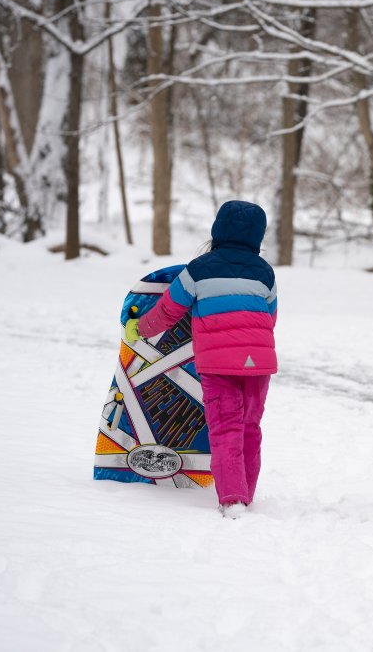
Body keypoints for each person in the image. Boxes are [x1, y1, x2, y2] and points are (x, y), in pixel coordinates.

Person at [126, 200, 278, 519]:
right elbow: (270, 315)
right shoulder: (266, 272)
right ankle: (246, 493)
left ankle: (233, 498)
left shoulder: (199, 268)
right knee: (250, 427)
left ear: (218, 230)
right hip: (258, 363)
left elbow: (169, 310)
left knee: (225, 428)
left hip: (217, 366)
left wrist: (140, 328)